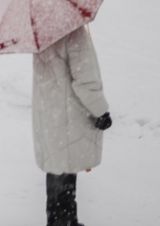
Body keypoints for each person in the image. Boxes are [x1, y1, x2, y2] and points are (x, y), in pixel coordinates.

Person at [32, 25, 112, 226]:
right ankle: (65, 222)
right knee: (65, 170)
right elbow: (84, 81)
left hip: (50, 115)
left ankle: (59, 220)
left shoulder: (41, 32)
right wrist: (100, 111)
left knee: (57, 168)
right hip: (68, 116)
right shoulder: (74, 32)